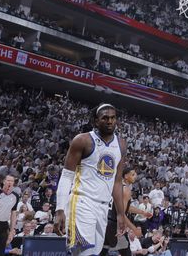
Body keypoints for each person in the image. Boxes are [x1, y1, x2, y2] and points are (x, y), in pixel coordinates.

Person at [54, 103, 127, 256]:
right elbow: (67, 176)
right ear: (95, 121)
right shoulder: (82, 140)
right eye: (105, 118)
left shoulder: (121, 145)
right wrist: (59, 209)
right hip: (82, 202)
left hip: (103, 207)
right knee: (83, 253)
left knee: (94, 253)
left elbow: (117, 181)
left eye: (113, 118)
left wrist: (121, 213)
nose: (110, 121)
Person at [101, 167, 151, 256]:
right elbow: (122, 214)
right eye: (132, 174)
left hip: (106, 222)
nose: (135, 176)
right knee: (126, 252)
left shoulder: (117, 186)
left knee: (103, 250)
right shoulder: (126, 190)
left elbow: (126, 207)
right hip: (114, 224)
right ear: (126, 176)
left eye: (135, 174)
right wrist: (134, 229)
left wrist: (142, 212)